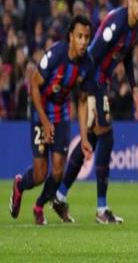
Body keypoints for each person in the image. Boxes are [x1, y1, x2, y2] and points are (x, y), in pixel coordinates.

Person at [52, 0, 138, 224]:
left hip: (101, 82)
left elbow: (127, 56)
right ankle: (101, 209)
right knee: (106, 137)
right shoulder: (116, 23)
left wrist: (134, 89)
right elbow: (91, 55)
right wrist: (85, 92)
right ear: (129, 0)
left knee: (93, 140)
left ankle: (60, 197)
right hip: (91, 79)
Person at [9, 15, 94, 225]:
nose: (84, 41)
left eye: (87, 37)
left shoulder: (87, 63)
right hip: (40, 112)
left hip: (62, 114)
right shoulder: (55, 55)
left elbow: (82, 100)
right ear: (70, 37)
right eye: (80, 36)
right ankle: (19, 185)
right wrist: (45, 122)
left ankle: (39, 206)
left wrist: (84, 137)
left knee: (57, 170)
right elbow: (33, 85)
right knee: (40, 173)